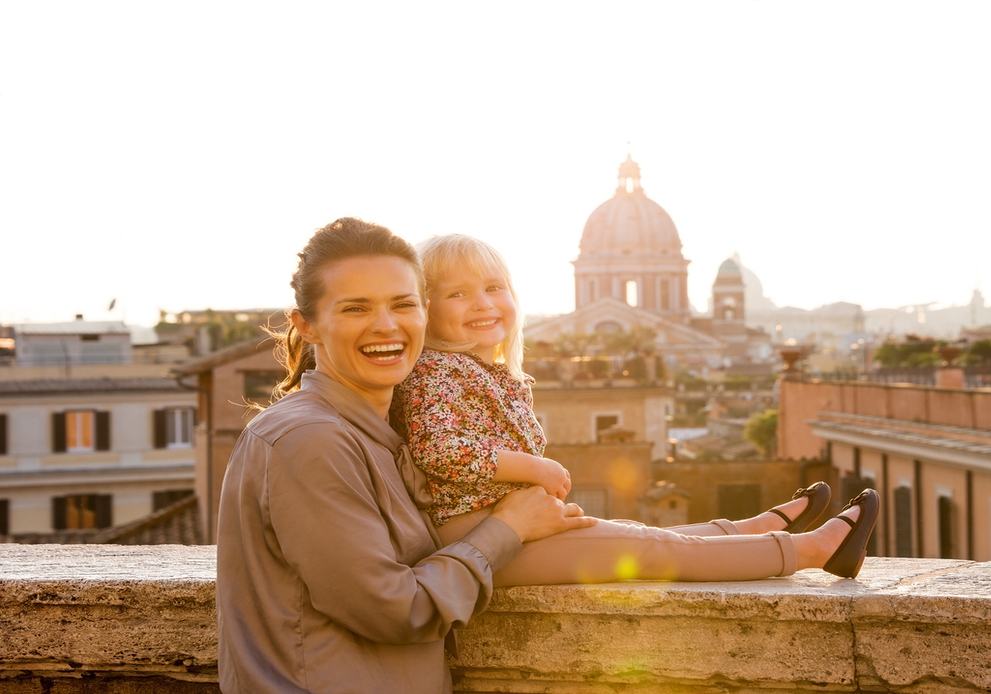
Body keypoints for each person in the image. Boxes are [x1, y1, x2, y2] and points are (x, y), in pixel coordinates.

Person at [215, 218, 596, 693]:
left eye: (403, 304)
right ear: (307, 326)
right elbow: (397, 610)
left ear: (424, 314)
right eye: (356, 308)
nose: (386, 325)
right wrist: (508, 528)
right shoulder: (311, 440)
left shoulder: (386, 432)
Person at [396, 234, 880, 586]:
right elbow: (439, 448)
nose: (482, 303)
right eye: (457, 293)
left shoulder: (490, 372)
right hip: (481, 537)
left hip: (506, 526)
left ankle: (747, 529)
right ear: (424, 308)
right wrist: (535, 468)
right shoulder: (435, 369)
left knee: (637, 533)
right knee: (648, 549)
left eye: (492, 287)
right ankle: (813, 550)